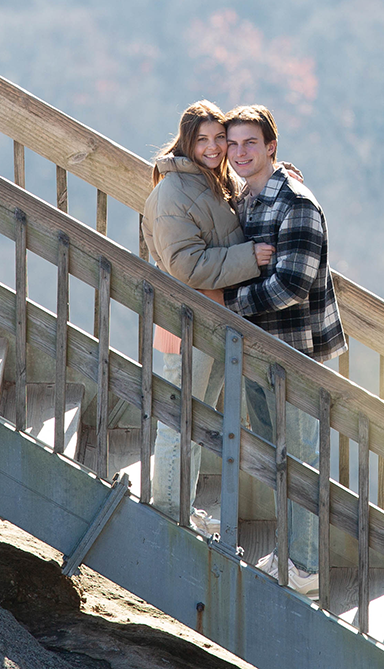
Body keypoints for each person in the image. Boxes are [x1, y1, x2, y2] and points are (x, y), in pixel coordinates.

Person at [219, 104, 346, 592]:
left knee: (300, 459)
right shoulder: (247, 197)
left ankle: (307, 570)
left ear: (272, 146)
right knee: (279, 456)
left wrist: (230, 303)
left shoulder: (296, 203)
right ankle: (293, 554)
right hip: (258, 350)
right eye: (232, 144)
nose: (239, 152)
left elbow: (291, 285)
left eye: (250, 142)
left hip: (294, 354)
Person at [141, 100, 273, 526]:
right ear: (187, 142)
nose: (216, 147)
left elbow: (243, 199)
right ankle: (168, 512)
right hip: (181, 324)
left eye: (221, 138)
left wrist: (281, 173)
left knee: (195, 418)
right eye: (205, 139)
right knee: (178, 419)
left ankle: (180, 506)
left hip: (212, 321)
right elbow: (186, 266)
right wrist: (250, 258)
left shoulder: (213, 183)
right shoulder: (172, 193)